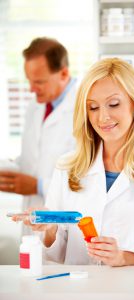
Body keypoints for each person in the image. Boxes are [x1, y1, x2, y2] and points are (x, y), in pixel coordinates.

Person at [18, 58, 134, 266]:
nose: (103, 117)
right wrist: (50, 230)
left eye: (113, 104)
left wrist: (124, 256)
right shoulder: (67, 168)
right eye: (93, 108)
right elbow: (55, 256)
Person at [0, 37, 77, 218]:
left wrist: (38, 186)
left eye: (39, 82)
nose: (31, 89)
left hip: (63, 221)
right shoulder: (35, 106)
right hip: (32, 215)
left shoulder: (86, 110)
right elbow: (32, 160)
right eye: (29, 80)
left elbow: (90, 180)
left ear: (63, 74)